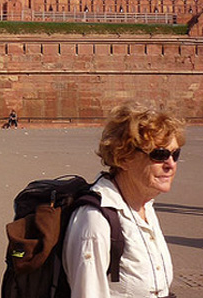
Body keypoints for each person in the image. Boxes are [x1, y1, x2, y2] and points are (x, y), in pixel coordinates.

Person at [63, 103, 185, 297]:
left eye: (175, 154)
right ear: (124, 157)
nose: (170, 164)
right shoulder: (96, 220)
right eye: (159, 154)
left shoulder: (144, 205)